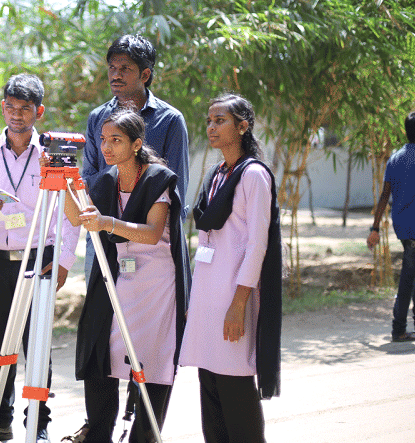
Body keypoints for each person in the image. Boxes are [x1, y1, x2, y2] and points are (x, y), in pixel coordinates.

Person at [0, 74, 81, 443]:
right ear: (2, 108)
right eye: (10, 107)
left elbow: (69, 212)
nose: (16, 114)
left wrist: (62, 260)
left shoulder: (51, 154)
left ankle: (38, 423)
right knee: (2, 345)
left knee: (37, 344)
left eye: (25, 108)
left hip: (39, 259)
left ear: (38, 111)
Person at [65, 108, 191, 443]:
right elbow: (77, 218)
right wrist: (64, 181)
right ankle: (99, 430)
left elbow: (152, 233)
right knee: (102, 347)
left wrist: (107, 223)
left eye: (115, 140)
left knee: (153, 357)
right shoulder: (106, 179)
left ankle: (144, 435)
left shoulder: (157, 177)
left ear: (136, 144)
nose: (106, 147)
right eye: (103, 139)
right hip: (120, 275)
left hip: (157, 281)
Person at [179, 94, 282, 443]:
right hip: (208, 293)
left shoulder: (253, 175)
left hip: (233, 296)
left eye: (220, 120)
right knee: (208, 380)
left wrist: (239, 303)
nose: (211, 127)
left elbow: (257, 245)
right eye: (209, 120)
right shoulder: (216, 174)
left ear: (243, 125)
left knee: (235, 382)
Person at [81, 34, 190, 286]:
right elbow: (88, 180)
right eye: (112, 68)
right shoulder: (98, 117)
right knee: (101, 316)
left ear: (145, 74)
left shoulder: (171, 120)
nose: (115, 75)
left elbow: (176, 189)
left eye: (125, 69)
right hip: (100, 236)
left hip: (151, 243)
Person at [366, 111, 415, 342]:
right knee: (409, 277)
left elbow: (385, 196)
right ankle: (398, 328)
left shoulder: (395, 158)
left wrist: (374, 228)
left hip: (402, 227)